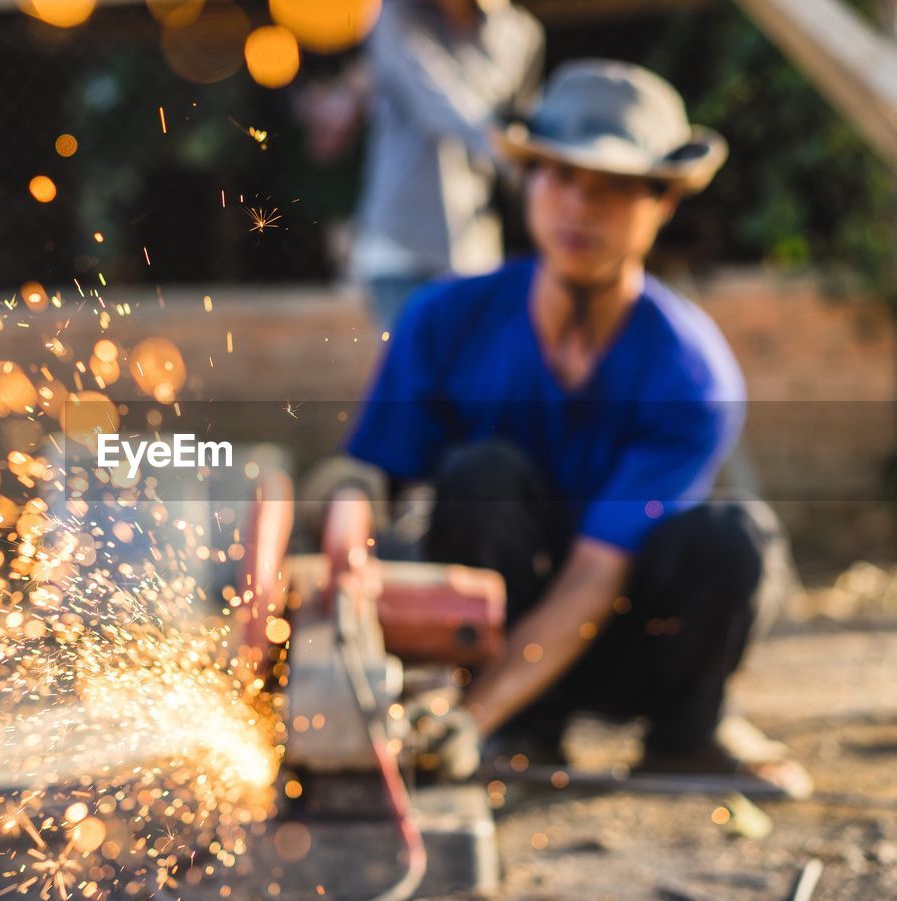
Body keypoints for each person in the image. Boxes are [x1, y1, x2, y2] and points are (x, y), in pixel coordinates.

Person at [346, 60, 812, 796]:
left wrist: (469, 713)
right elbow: (372, 476)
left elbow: (597, 576)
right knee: (481, 476)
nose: (578, 206)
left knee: (733, 537)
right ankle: (518, 733)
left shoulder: (691, 373)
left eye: (613, 187)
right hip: (488, 632)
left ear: (661, 202)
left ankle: (687, 733)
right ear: (528, 181)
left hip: (626, 643)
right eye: (559, 176)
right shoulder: (443, 319)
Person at [351, 0, 544, 328]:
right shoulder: (395, 15)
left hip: (475, 250)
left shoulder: (520, 33)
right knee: (419, 376)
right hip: (401, 250)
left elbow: (526, 123)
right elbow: (439, 104)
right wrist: (522, 157)